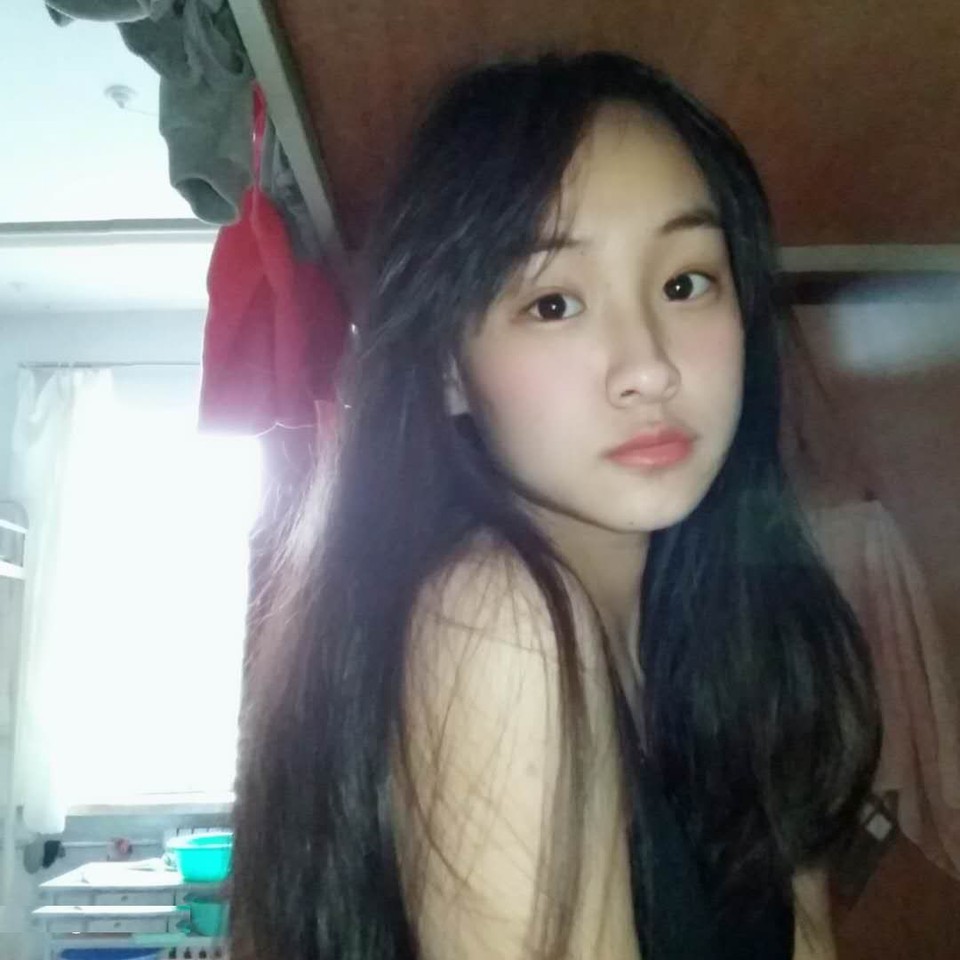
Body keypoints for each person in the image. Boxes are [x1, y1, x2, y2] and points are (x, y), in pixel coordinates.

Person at [229, 50, 881, 960]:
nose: (649, 366)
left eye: (686, 283)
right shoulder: (498, 620)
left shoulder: (743, 636)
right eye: (554, 303)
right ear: (448, 368)